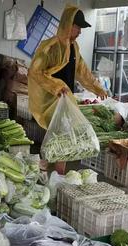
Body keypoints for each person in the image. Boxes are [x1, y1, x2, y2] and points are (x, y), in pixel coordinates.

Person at [28, 5, 108, 173]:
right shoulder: (49, 47)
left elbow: (82, 70)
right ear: (67, 25)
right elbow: (35, 72)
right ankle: (54, 170)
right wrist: (56, 87)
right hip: (51, 98)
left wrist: (97, 88)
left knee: (60, 134)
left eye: (80, 28)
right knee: (58, 134)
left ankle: (51, 168)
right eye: (77, 27)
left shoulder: (74, 47)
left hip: (65, 98)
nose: (79, 32)